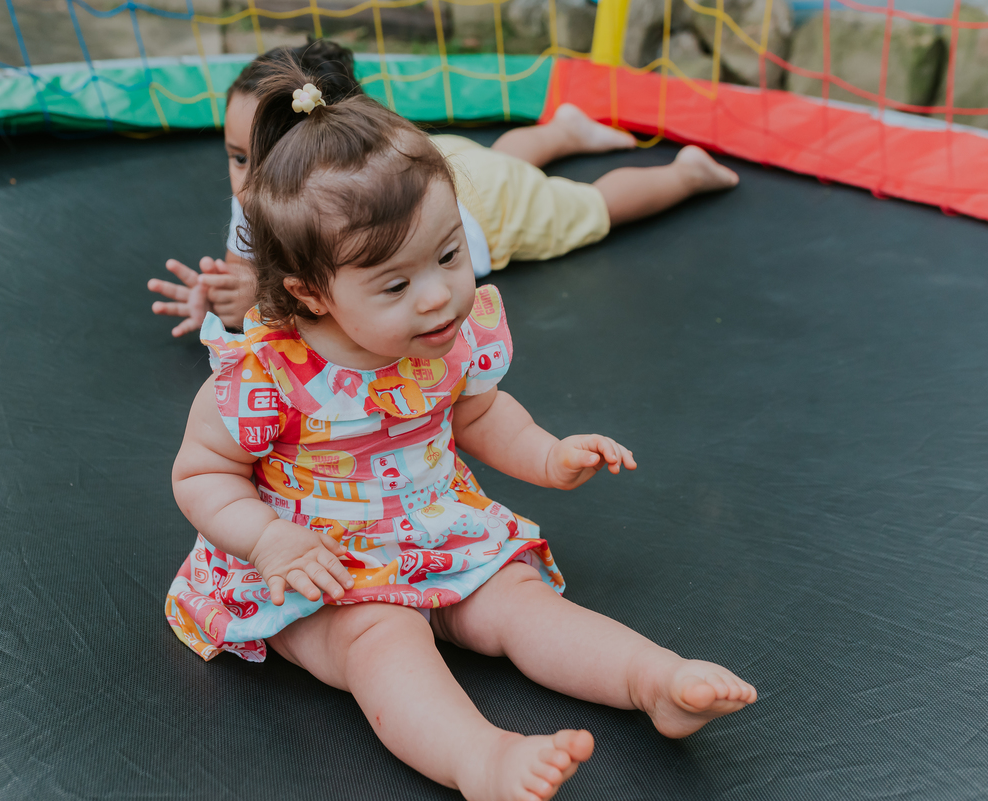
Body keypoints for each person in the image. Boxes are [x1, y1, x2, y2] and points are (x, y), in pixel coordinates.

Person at [164, 62, 756, 801]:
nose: (440, 293)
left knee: (521, 598)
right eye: (395, 284)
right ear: (312, 293)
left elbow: (478, 414)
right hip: (317, 570)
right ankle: (480, 759)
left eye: (448, 255)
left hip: (437, 528)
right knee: (383, 639)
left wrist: (547, 453)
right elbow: (201, 474)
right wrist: (267, 538)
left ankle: (654, 679)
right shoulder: (266, 377)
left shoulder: (449, 336)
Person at [147, 41, 739, 335]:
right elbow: (248, 272)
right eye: (236, 157)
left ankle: (683, 173)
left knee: (587, 206)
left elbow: (325, 317)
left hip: (484, 207)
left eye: (265, 158)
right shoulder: (256, 200)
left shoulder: (343, 221)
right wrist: (219, 297)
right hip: (434, 161)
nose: (248, 180)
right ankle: (560, 131)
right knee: (500, 157)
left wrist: (252, 306)